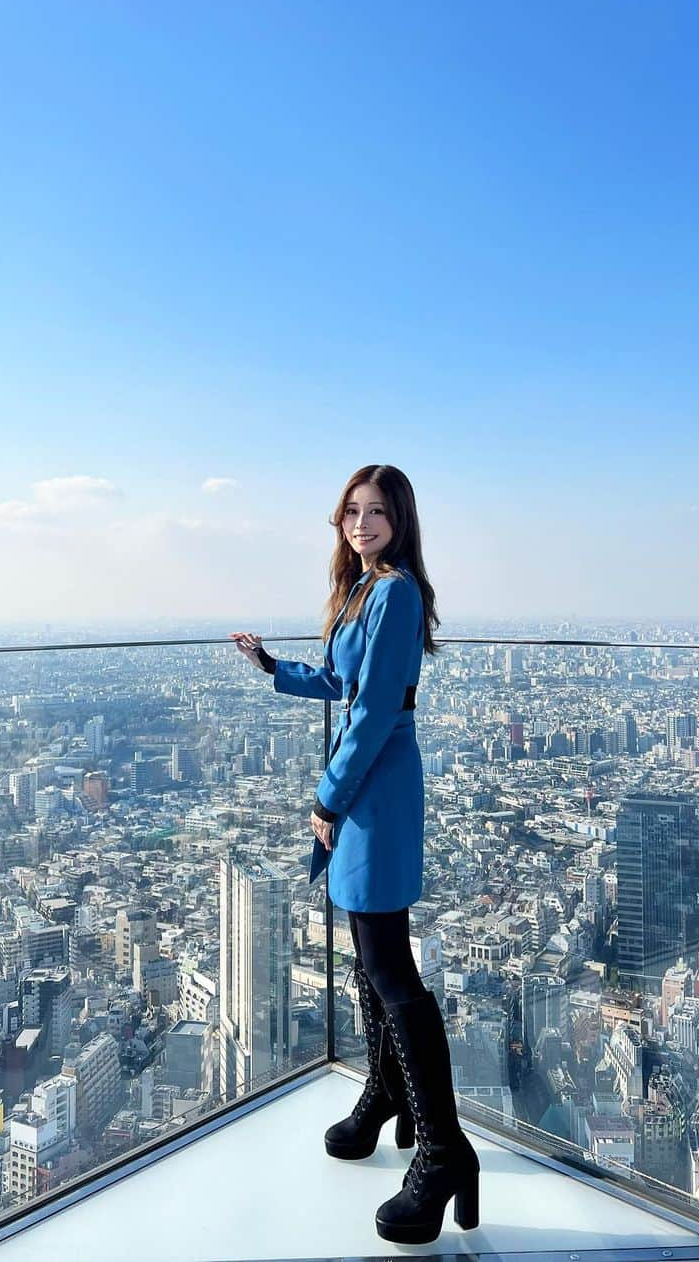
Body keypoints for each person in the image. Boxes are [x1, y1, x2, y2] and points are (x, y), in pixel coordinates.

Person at [230, 464, 480, 1245]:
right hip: (365, 779)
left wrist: (327, 799)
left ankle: (443, 1150)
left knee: (391, 969)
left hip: (373, 783)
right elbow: (342, 678)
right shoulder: (365, 590)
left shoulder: (396, 591)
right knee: (375, 962)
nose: (361, 524)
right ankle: (386, 1095)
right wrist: (275, 669)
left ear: (400, 521)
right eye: (351, 512)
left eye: (376, 512)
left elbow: (372, 713)